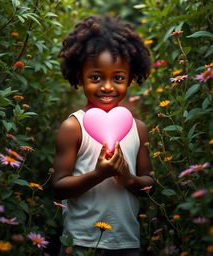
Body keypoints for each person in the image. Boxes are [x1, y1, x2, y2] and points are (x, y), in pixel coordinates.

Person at [52, 14, 155, 256]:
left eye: (118, 77)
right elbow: (58, 187)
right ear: (80, 77)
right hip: (81, 242)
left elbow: (150, 183)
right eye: (96, 77)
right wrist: (100, 174)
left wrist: (127, 179)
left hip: (127, 242)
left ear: (130, 78)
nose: (107, 86)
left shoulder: (137, 128)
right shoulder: (73, 127)